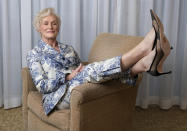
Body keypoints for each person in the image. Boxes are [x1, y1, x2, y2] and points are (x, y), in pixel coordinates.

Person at [27, 8, 172, 115]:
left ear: (58, 27)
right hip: (57, 98)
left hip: (80, 86)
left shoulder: (68, 49)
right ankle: (144, 50)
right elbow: (42, 86)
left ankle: (145, 64)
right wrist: (67, 76)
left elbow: (80, 68)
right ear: (39, 28)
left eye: (54, 23)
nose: (50, 27)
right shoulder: (34, 54)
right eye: (46, 24)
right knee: (89, 71)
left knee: (93, 72)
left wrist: (80, 73)